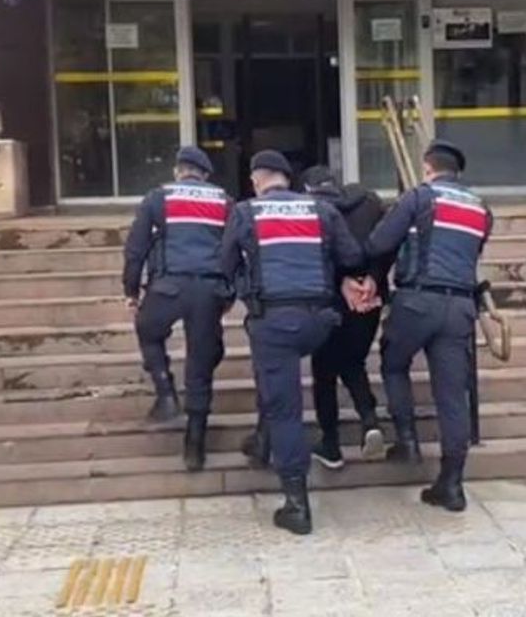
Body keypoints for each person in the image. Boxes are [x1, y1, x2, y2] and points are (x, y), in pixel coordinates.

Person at [220, 150, 365, 535]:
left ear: (256, 180)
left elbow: (224, 266)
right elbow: (352, 255)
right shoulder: (321, 209)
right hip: (319, 321)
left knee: (285, 408)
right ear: (288, 179)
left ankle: (296, 504)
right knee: (278, 380)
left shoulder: (245, 212)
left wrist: (241, 289)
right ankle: (263, 440)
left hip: (274, 323)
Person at [362, 140, 493, 512]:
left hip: (417, 301)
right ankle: (452, 483)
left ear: (427, 168)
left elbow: (378, 243)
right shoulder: (481, 208)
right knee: (452, 394)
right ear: (458, 172)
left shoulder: (419, 198)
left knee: (393, 362)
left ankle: (406, 438)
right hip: (461, 307)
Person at [122, 146, 232, 472]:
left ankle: (165, 392)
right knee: (201, 362)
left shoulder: (158, 198)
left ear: (177, 171)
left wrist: (131, 291)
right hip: (208, 290)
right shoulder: (224, 201)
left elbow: (136, 249)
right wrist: (229, 294)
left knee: (147, 329)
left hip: (167, 287)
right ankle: (194, 446)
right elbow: (236, 249)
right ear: (205, 175)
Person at [299, 165, 390, 469]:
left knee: (324, 371)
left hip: (330, 299)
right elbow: (386, 243)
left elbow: (314, 254)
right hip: (369, 299)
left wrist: (341, 281)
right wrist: (373, 278)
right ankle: (370, 421)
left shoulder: (309, 209)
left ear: (308, 189)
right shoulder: (370, 203)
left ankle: (331, 444)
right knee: (352, 362)